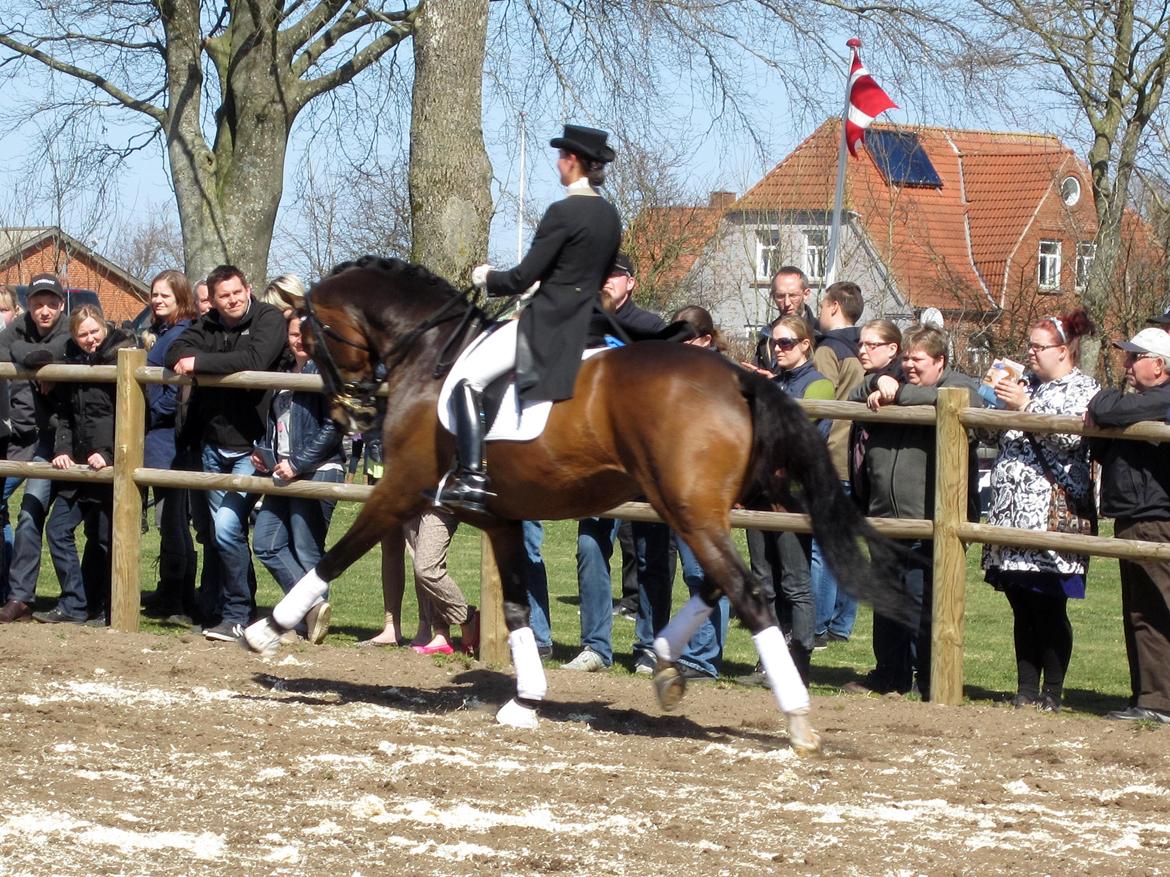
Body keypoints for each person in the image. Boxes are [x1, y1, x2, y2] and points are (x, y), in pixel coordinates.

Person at [433, 124, 621, 513]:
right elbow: (584, 273)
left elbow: (522, 276)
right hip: (592, 323)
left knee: (468, 379)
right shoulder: (610, 215)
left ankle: (471, 476)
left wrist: (486, 277)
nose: (558, 164)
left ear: (573, 161)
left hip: (548, 323)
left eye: (561, 157)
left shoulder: (563, 211)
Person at [846, 323, 982, 700]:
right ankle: (890, 675)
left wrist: (900, 393)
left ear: (939, 361)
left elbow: (966, 400)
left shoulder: (959, 384)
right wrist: (877, 386)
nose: (908, 365)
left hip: (930, 519)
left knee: (925, 602)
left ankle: (929, 679)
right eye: (905, 358)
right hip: (884, 515)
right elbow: (853, 391)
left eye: (917, 359)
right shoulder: (888, 380)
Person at [982, 311, 1099, 712]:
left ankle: (1053, 691)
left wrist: (1025, 406)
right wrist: (994, 401)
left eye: (1038, 346)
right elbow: (991, 432)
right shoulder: (1023, 383)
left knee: (1049, 605)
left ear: (1063, 351)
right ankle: (1025, 688)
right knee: (1021, 602)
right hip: (1010, 513)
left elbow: (1069, 437)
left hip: (1051, 514)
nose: (1030, 352)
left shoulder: (1084, 388)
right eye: (1029, 345)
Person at [562, 254, 674, 674]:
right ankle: (595, 646)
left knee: (652, 554)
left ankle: (649, 646)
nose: (603, 282)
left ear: (632, 282)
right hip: (594, 458)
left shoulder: (651, 328)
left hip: (644, 458)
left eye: (612, 275)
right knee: (590, 546)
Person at [166, 264, 287, 642]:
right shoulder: (209, 324)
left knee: (227, 528)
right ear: (214, 301)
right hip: (213, 446)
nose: (232, 300)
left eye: (237, 292)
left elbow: (255, 359)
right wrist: (191, 357)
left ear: (247, 289)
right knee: (225, 535)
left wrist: (200, 363)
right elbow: (175, 349)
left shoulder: (268, 318)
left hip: (252, 448)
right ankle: (241, 609)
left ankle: (237, 611)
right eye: (223, 296)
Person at [739, 315, 833, 684]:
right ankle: (769, 662)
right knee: (762, 581)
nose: (778, 349)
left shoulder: (820, 386)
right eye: (773, 343)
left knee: (795, 582)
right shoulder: (771, 385)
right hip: (760, 494)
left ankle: (799, 663)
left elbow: (803, 440)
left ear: (806, 344)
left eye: (787, 343)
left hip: (792, 498)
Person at [1086, 328, 1170, 724]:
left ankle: (1157, 703)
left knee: (1153, 608)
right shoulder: (1145, 402)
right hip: (1135, 514)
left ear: (1161, 365)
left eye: (1136, 358)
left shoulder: (1164, 399)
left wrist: (1105, 408)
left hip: (1154, 517)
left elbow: (1105, 409)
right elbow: (1102, 432)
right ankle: (1147, 696)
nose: (1127, 364)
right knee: (1139, 609)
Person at [33, 308, 136, 624]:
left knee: (106, 538)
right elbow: (66, 414)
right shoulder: (70, 361)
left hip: (107, 465)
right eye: (82, 334)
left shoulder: (123, 355)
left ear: (104, 326)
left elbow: (129, 416)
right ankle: (74, 603)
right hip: (78, 463)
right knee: (58, 528)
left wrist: (107, 453)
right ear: (74, 336)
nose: (90, 339)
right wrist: (62, 449)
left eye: (94, 331)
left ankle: (106, 606)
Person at [251, 313, 345, 644]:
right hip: (283, 471)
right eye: (294, 334)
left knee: (307, 549)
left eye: (307, 334)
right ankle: (312, 608)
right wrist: (264, 453)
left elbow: (335, 426)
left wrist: (300, 462)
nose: (300, 340)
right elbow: (279, 425)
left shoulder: (327, 371)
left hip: (317, 469)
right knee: (266, 542)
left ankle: (306, 622)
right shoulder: (284, 372)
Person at [0, 273, 71, 623]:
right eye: (38, 303)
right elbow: (5, 349)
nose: (44, 311)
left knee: (45, 517)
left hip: (66, 439)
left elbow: (54, 351)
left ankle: (80, 599)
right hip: (31, 437)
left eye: (51, 304)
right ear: (28, 305)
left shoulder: (72, 328)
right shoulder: (19, 326)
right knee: (25, 514)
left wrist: (32, 358)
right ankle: (19, 597)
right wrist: (36, 361)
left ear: (61, 304)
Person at [140, 269, 199, 623]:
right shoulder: (163, 332)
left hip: (168, 441)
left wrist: (153, 407)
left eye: (165, 295)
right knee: (170, 518)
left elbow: (178, 388)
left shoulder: (182, 333)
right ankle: (170, 589)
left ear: (180, 298)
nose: (158, 300)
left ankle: (177, 596)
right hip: (156, 440)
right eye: (155, 294)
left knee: (172, 519)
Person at [810, 281, 866, 647]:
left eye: (820, 305)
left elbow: (820, 402)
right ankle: (843, 623)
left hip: (832, 455)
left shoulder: (828, 350)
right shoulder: (865, 347)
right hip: (858, 459)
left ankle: (815, 625)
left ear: (832, 307)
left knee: (822, 546)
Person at [404, 510, 478, 655]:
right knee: (419, 561)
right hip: (412, 497)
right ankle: (440, 632)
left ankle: (467, 618)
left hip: (440, 501)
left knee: (426, 568)